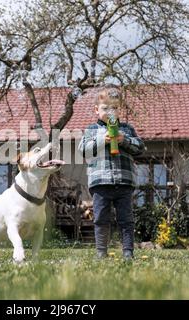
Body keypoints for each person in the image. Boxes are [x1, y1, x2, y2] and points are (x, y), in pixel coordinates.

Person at [78, 85, 145, 260]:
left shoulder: (127, 129)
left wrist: (124, 140)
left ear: (120, 109)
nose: (110, 111)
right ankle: (101, 252)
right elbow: (83, 150)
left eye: (114, 108)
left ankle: (128, 252)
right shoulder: (92, 130)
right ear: (96, 110)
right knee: (101, 218)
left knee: (126, 219)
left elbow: (140, 148)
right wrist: (102, 139)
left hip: (124, 182)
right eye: (105, 108)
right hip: (101, 183)